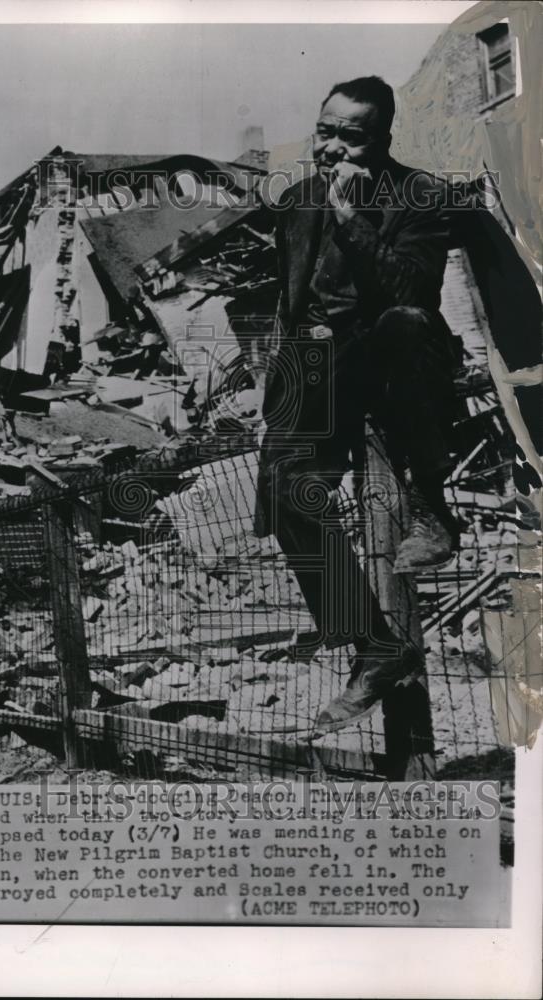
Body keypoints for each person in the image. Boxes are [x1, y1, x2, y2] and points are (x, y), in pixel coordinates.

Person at [255, 76, 463, 733]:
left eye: (353, 137)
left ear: (382, 141)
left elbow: (414, 291)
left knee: (404, 320)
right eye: (326, 131)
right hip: (313, 365)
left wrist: (351, 220)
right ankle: (375, 646)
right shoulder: (295, 201)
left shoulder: (419, 195)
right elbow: (293, 298)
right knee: (287, 489)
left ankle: (431, 502)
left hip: (381, 356)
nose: (333, 148)